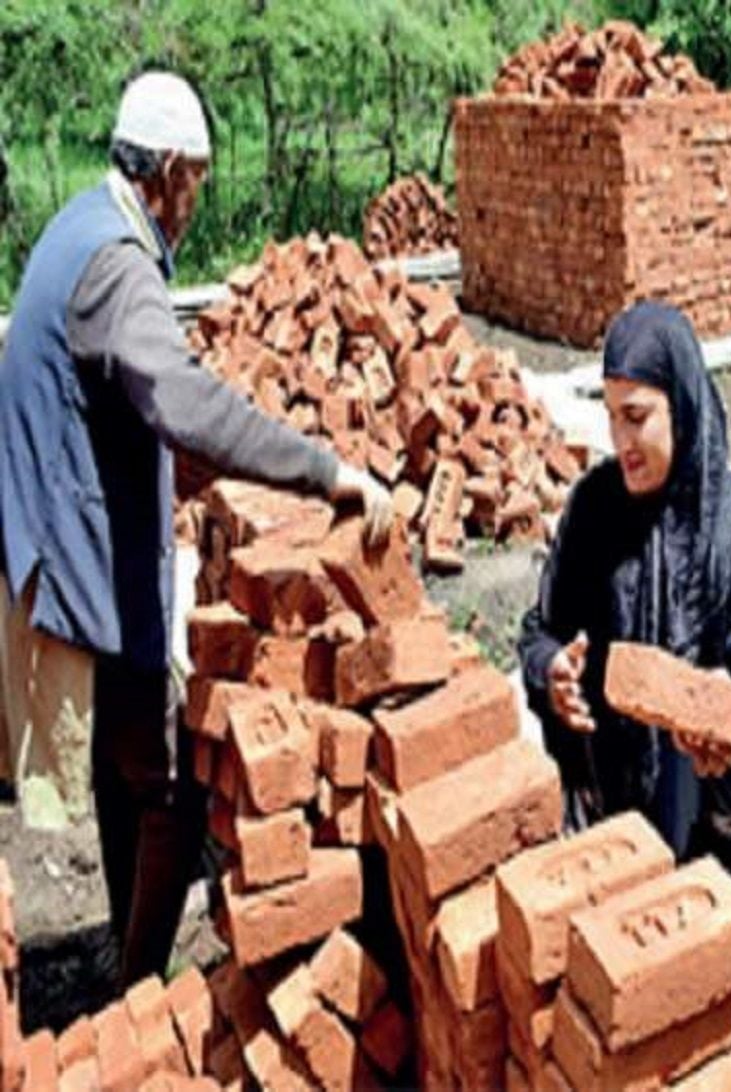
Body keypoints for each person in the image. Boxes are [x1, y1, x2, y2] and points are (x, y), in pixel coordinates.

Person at [0, 71, 393, 987]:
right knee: (165, 781)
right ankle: (138, 981)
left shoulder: (80, 224)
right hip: (78, 564)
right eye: (198, 179)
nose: (197, 199)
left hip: (57, 541)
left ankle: (120, 943)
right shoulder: (118, 269)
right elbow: (179, 397)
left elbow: (121, 395)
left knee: (117, 760)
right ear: (168, 170)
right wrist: (323, 469)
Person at [519, 300, 731, 897]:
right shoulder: (593, 510)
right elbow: (540, 632)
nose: (621, 441)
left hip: (705, 857)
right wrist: (554, 675)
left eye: (636, 417)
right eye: (611, 416)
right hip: (604, 838)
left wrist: (729, 723)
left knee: (695, 984)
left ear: (683, 405)